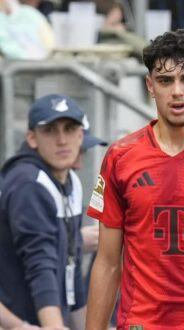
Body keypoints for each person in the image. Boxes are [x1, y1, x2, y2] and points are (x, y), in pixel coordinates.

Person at [85, 27, 184, 329]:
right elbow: (106, 262)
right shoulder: (121, 156)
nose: (177, 91)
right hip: (141, 323)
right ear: (150, 85)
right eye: (166, 81)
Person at [0, 94, 89, 329]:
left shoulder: (71, 181)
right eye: (50, 130)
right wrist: (53, 326)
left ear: (80, 135)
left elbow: (73, 266)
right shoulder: (29, 183)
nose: (62, 140)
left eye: (69, 129)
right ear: (32, 138)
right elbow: (40, 263)